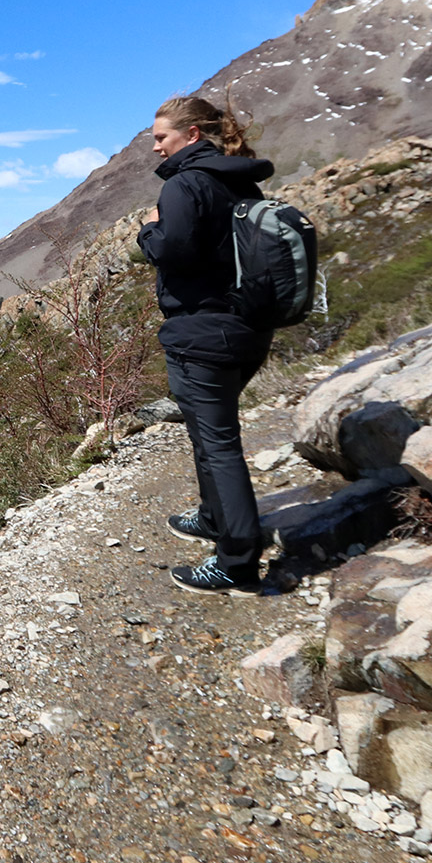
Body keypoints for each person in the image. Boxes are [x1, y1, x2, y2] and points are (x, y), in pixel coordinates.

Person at [136, 94, 276, 595]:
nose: (155, 148)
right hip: (247, 329)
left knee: (218, 445)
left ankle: (237, 561)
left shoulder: (185, 185)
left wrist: (148, 231)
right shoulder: (241, 181)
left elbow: (175, 252)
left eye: (160, 138)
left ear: (191, 135)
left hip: (203, 333)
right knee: (209, 434)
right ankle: (215, 517)